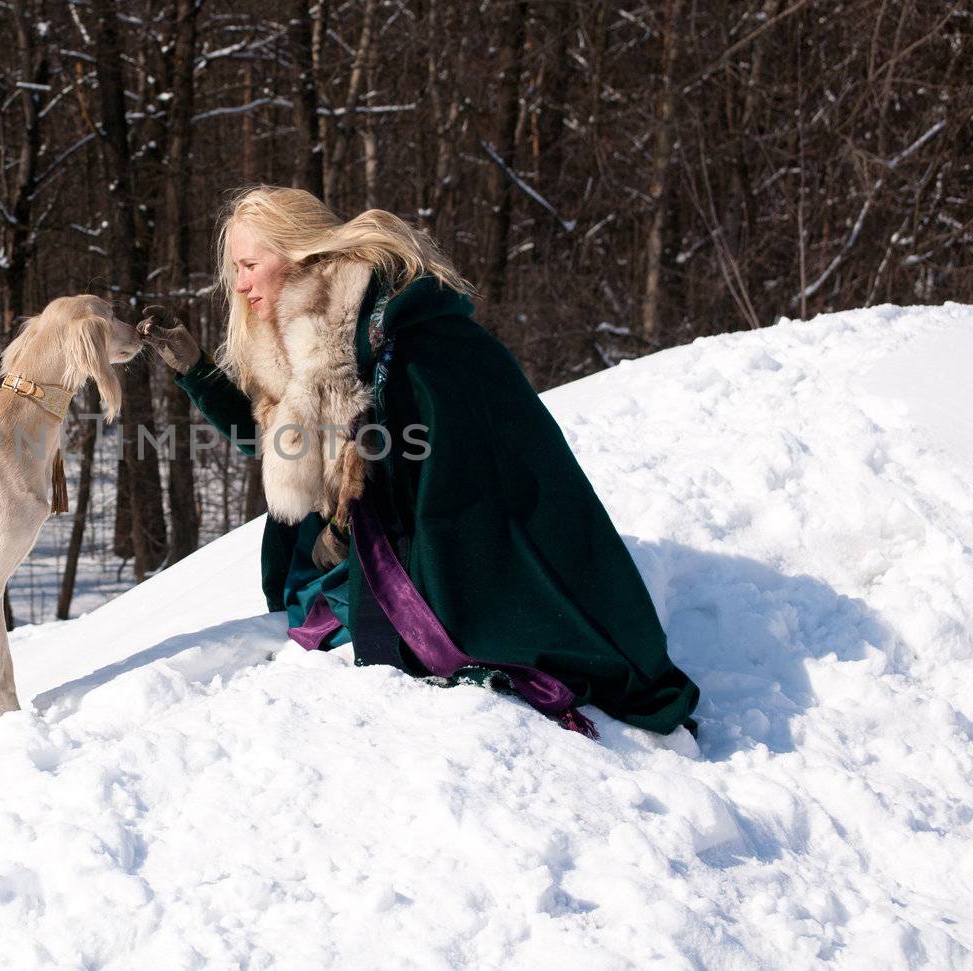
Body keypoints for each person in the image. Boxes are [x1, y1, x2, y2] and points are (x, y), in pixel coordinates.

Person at [138, 185, 699, 737]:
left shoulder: (385, 327)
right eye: (235, 268)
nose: (239, 284)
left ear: (295, 251)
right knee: (314, 609)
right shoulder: (288, 339)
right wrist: (196, 372)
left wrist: (375, 499)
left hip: (425, 538)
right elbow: (280, 448)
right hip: (353, 548)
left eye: (248, 265)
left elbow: (452, 444)